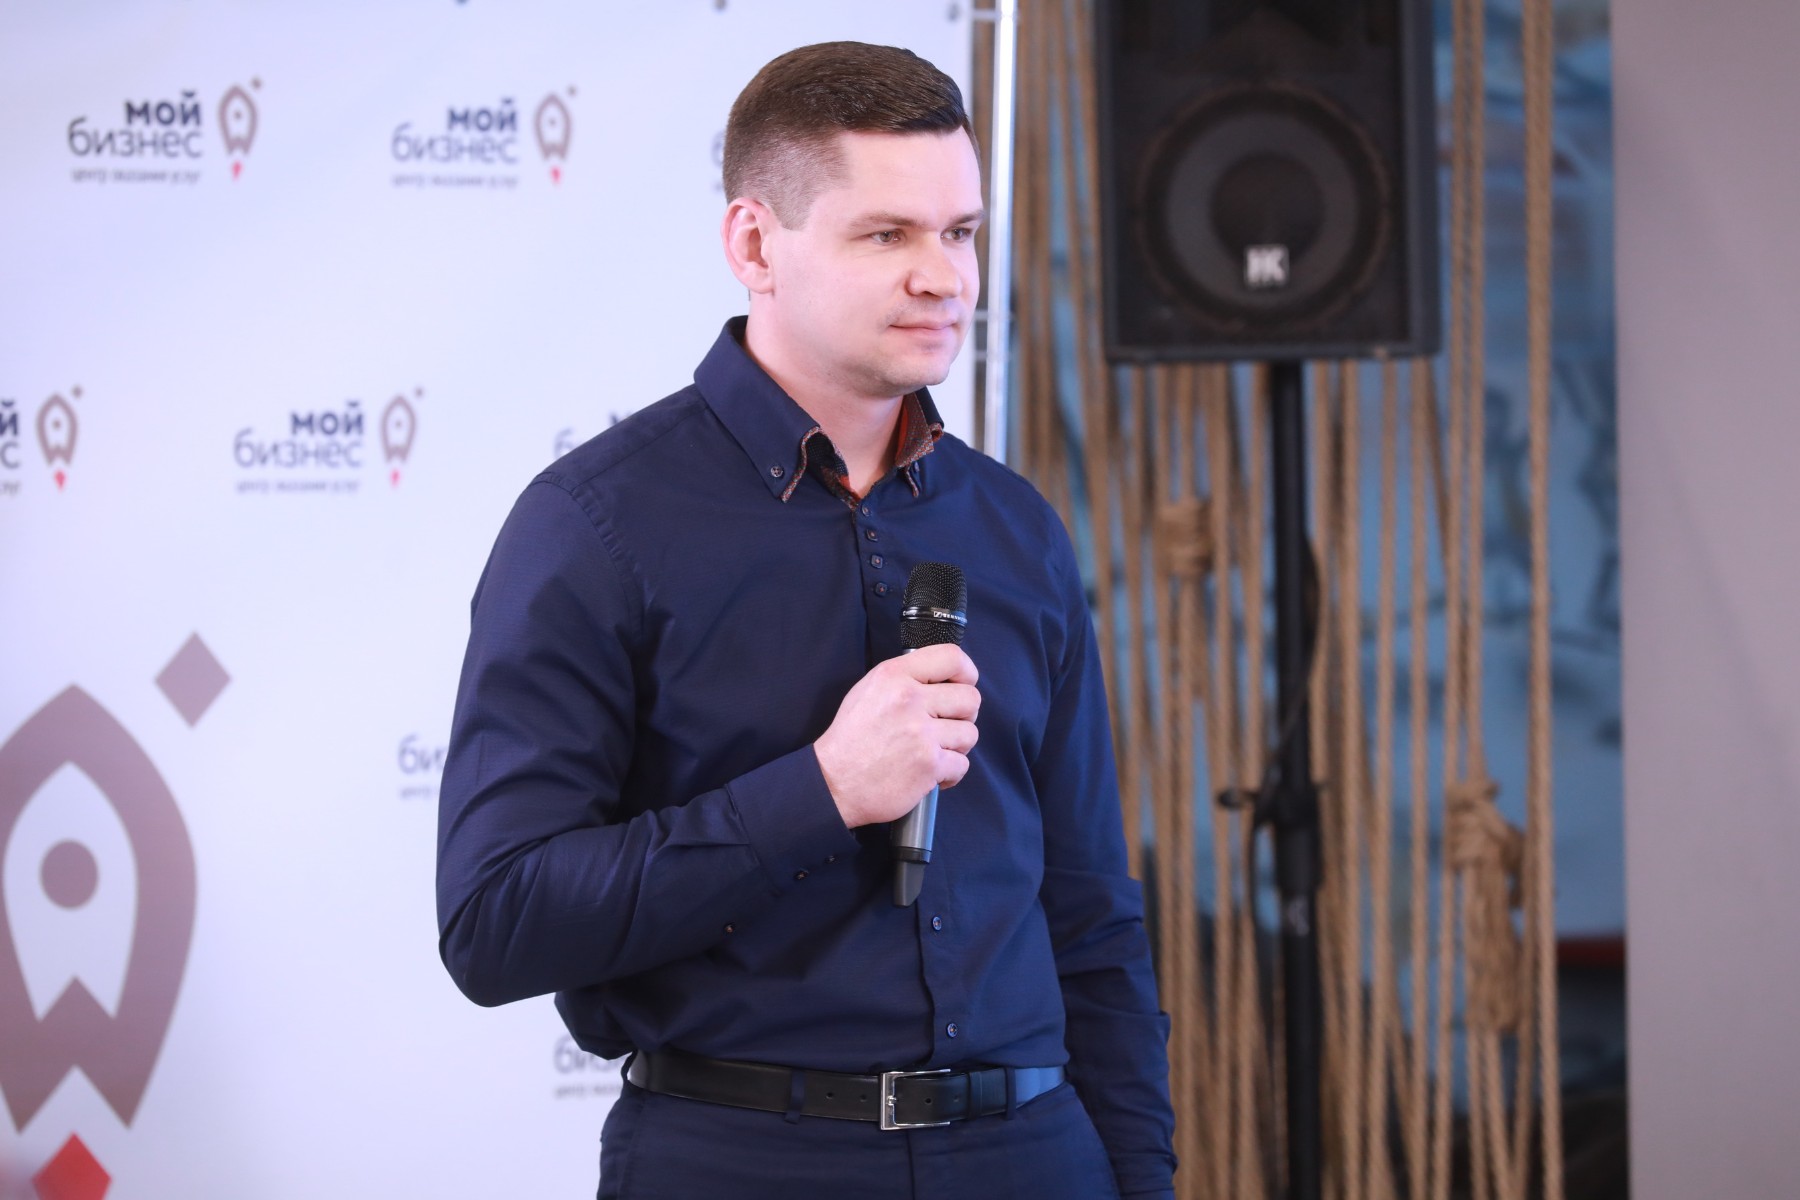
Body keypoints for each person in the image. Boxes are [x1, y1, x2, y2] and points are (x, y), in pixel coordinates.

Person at [436, 41, 1176, 1200]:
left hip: (1036, 1156)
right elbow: (497, 920)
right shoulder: (596, 523)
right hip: (742, 1157)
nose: (944, 278)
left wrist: (1140, 1178)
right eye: (887, 236)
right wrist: (822, 791)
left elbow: (1089, 918)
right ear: (753, 245)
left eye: (961, 233)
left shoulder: (1017, 527)